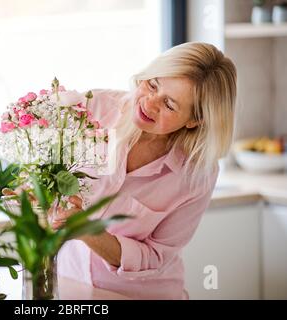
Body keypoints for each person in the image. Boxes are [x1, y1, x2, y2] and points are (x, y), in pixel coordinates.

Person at [52, 42, 237, 300]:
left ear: (195, 120)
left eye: (169, 105)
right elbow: (49, 175)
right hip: (70, 284)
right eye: (152, 84)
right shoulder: (96, 110)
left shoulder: (197, 175)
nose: (149, 104)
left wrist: (86, 230)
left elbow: (154, 256)